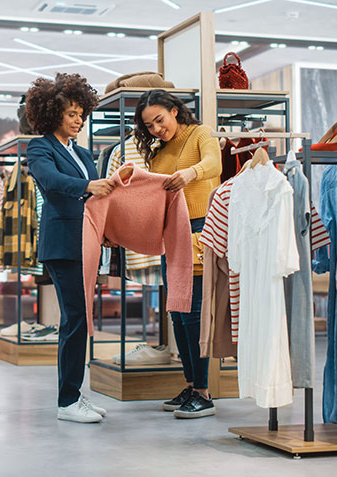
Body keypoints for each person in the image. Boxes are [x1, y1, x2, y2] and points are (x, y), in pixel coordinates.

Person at [25, 73, 116, 424]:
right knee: (75, 318)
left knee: (82, 319)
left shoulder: (80, 152)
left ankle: (76, 394)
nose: (78, 120)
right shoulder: (40, 147)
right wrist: (89, 184)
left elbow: (95, 200)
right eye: (71, 114)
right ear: (52, 114)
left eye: (81, 113)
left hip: (87, 242)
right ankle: (67, 401)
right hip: (63, 244)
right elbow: (51, 181)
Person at [134, 89, 222, 418]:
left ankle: (203, 391)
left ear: (174, 111)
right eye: (150, 126)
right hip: (171, 233)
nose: (157, 129)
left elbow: (214, 165)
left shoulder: (201, 134)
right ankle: (191, 383)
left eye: (160, 120)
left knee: (194, 312)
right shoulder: (158, 153)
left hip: (199, 231)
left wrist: (190, 173)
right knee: (177, 313)